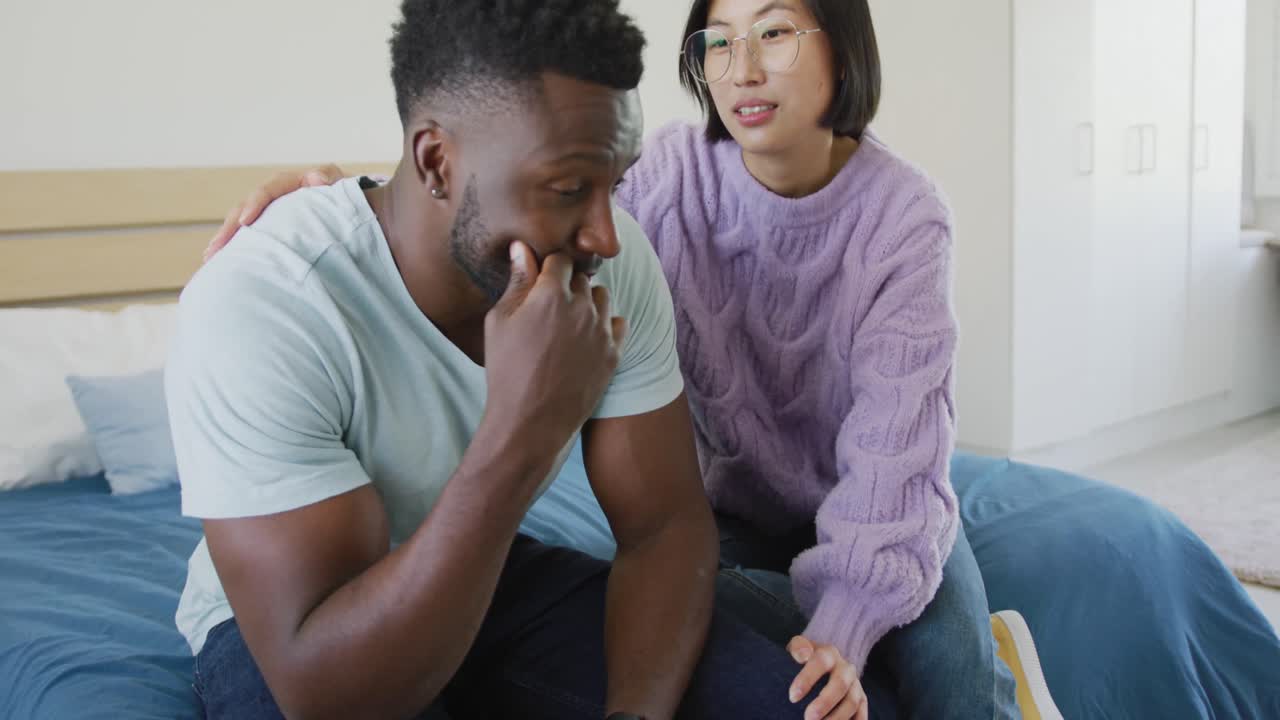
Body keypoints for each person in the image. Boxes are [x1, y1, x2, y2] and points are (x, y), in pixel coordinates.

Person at [206, 0, 1065, 718]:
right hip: (322, 634)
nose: (609, 235)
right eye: (720, 42)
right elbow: (326, 690)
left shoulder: (886, 217)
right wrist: (522, 427)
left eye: (775, 33)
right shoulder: (271, 297)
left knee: (872, 667)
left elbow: (670, 526)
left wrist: (819, 644)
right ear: (434, 162)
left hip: (845, 504)